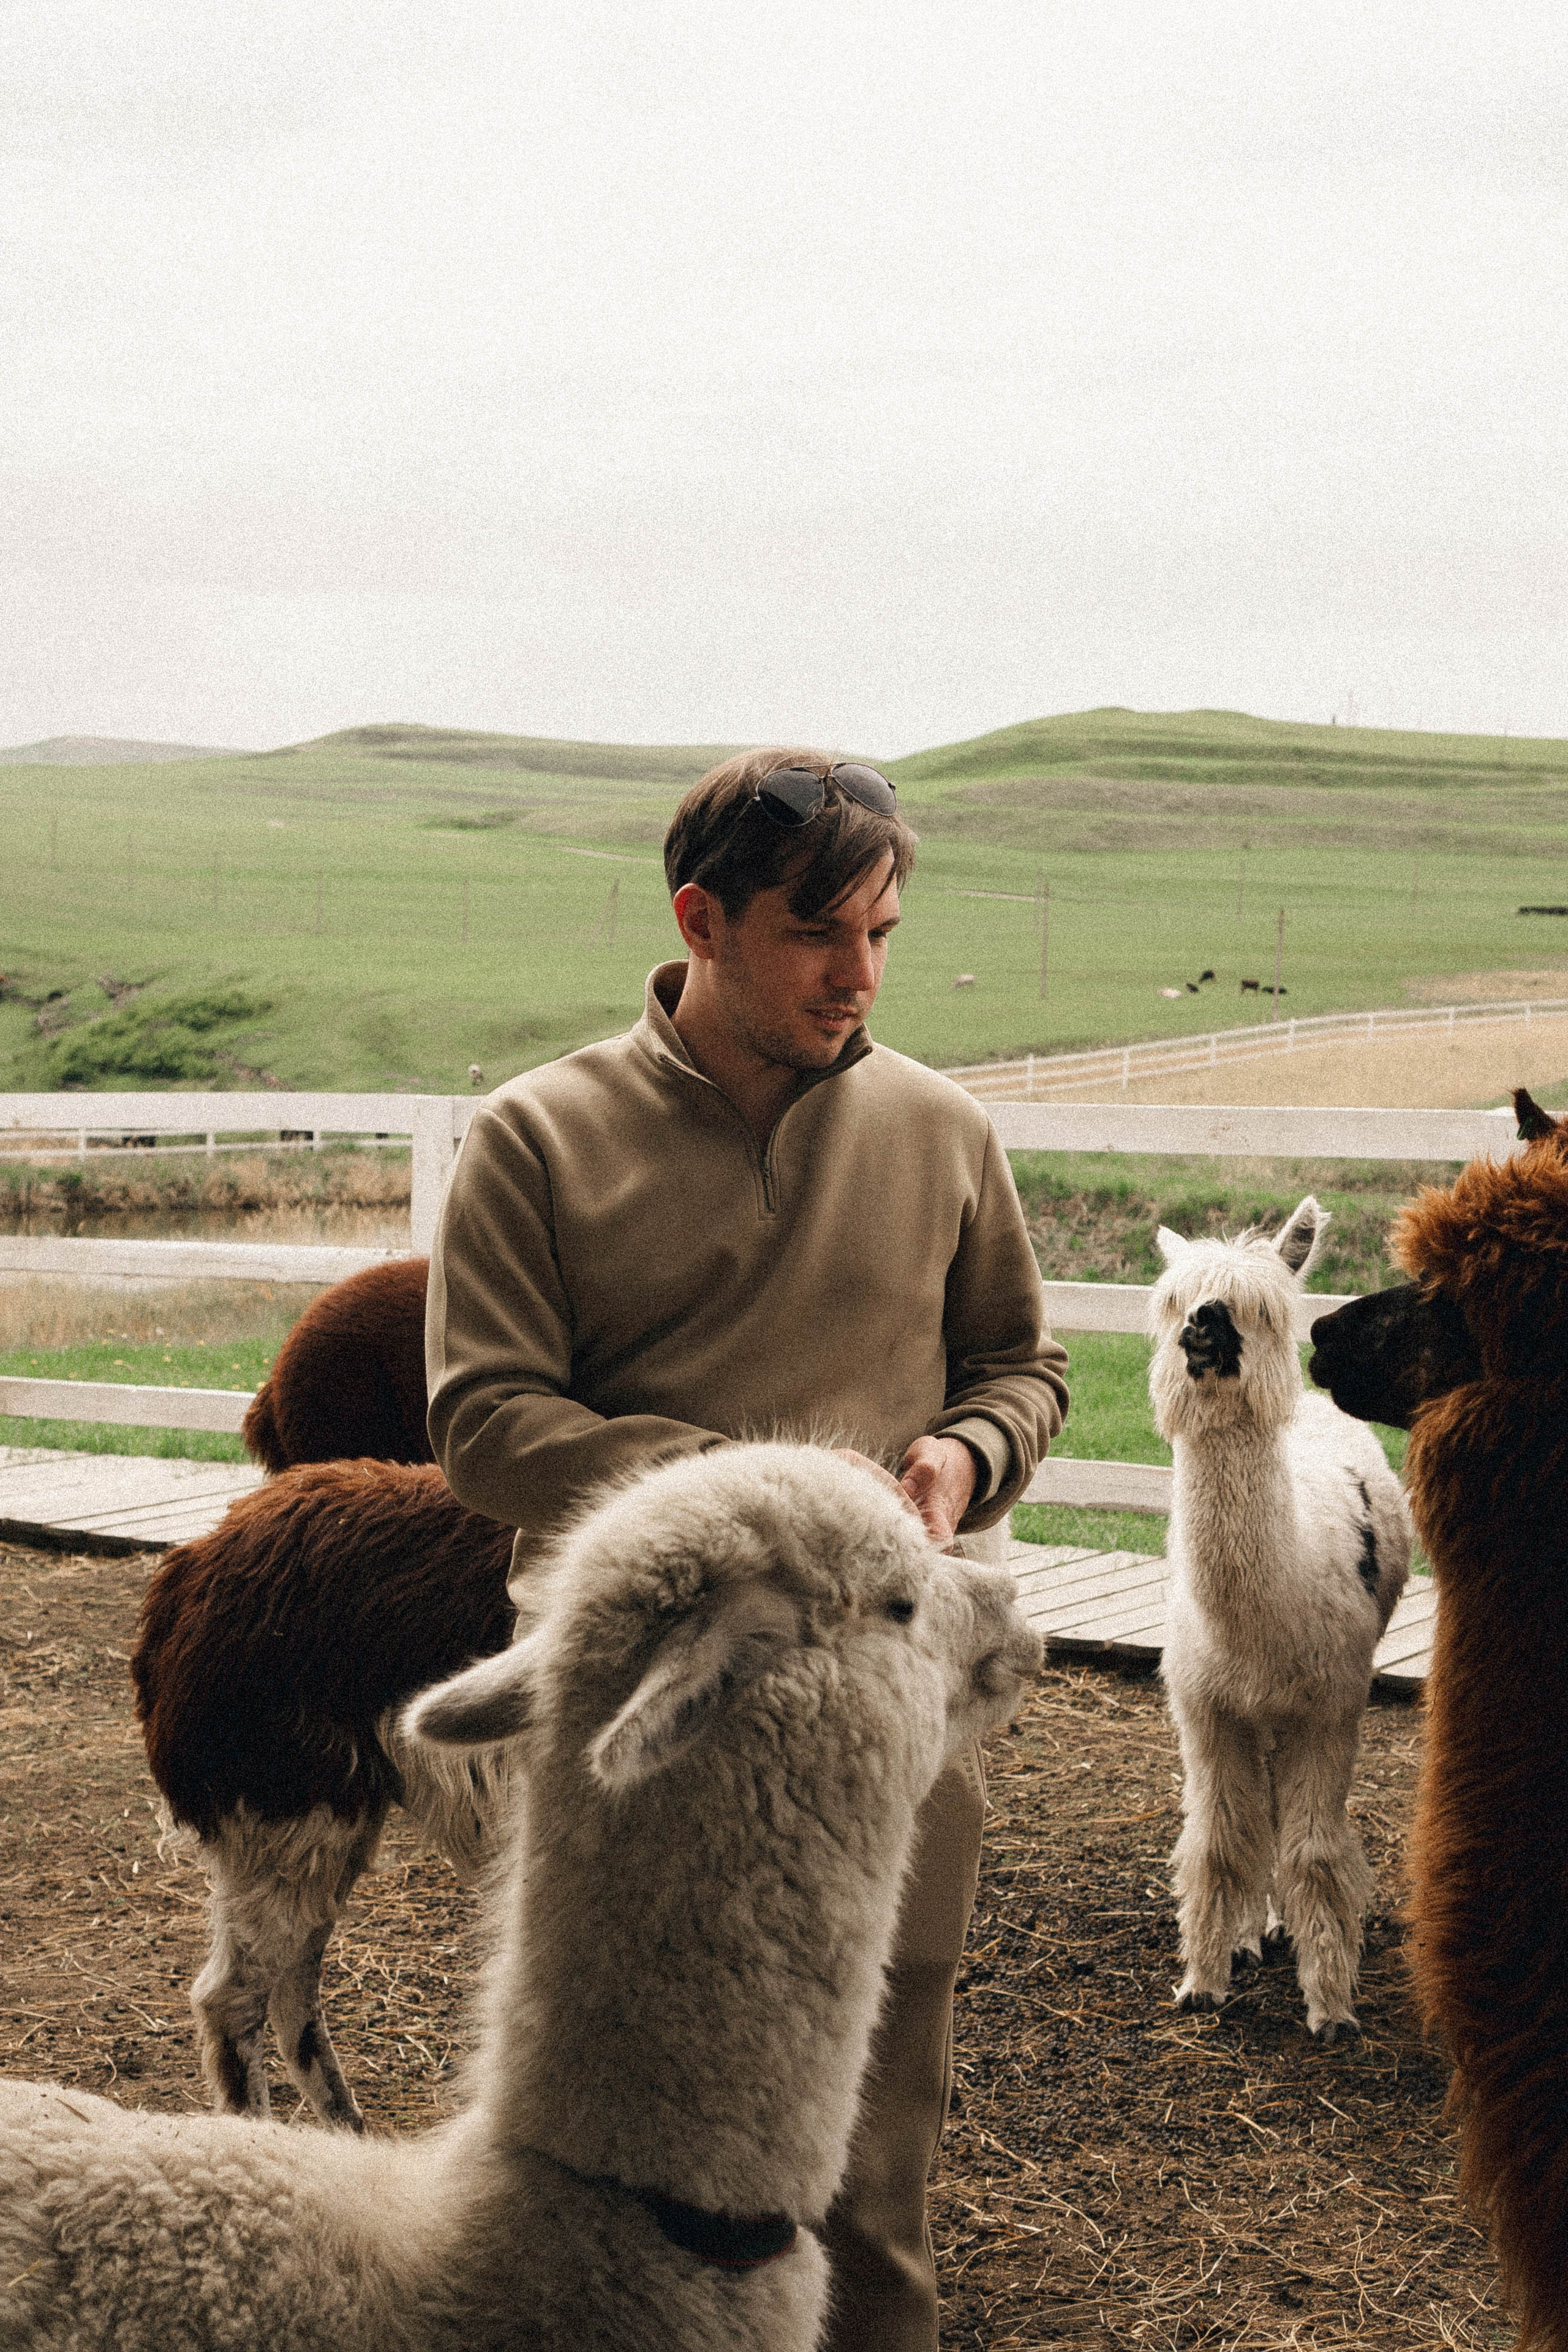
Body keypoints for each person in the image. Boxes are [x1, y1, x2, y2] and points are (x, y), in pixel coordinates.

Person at [426, 746, 1069, 2350]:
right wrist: (742, 1496)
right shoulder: (535, 1137)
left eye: (883, 935)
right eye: (814, 933)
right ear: (699, 920)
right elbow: (483, 1418)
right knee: (611, 2182)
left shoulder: (945, 1132)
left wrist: (964, 1453)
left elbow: (1023, 1367)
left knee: (868, 2181)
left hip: (883, 1716)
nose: (860, 976)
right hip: (634, 1731)